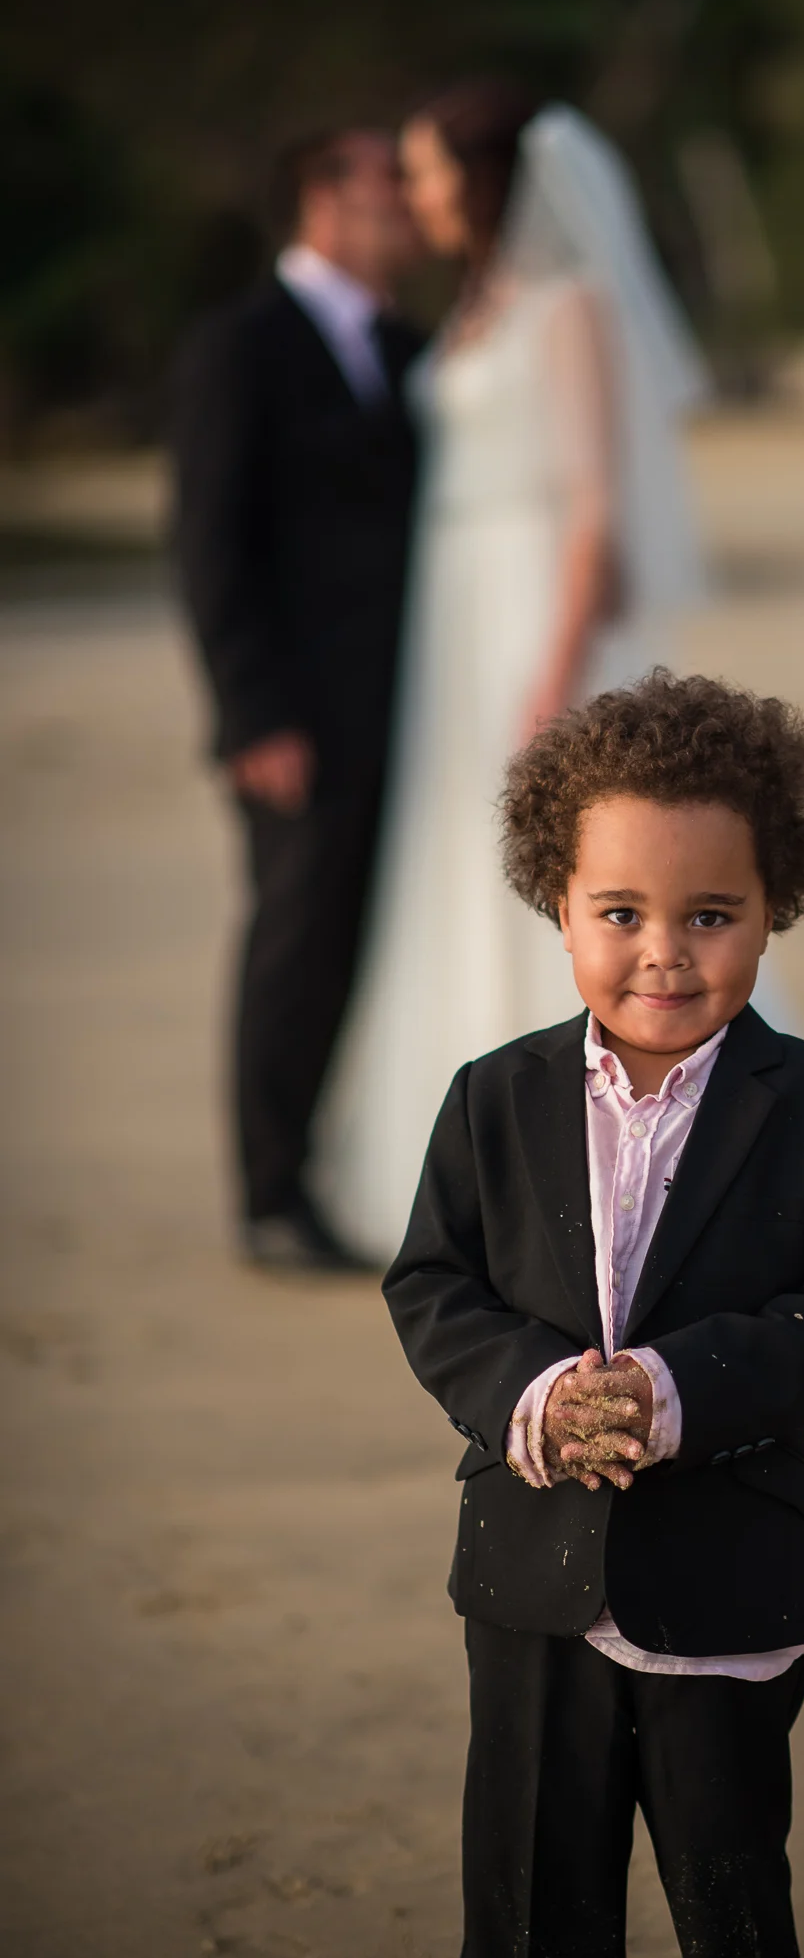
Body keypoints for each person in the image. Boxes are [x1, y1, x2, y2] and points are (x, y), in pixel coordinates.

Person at [384, 670, 804, 1958]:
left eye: (710, 915)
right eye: (618, 912)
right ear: (555, 905)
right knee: (523, 1917)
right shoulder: (489, 1103)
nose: (662, 951)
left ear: (773, 908)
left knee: (732, 1911)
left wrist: (678, 1389)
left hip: (727, 1584)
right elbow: (433, 1284)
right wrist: (538, 1397)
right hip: (529, 1576)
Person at [309, 85, 711, 1264]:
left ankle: (613, 1166)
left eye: (431, 173)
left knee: (561, 863)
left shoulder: (567, 306)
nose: (415, 195)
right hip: (453, 609)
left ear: (485, 183)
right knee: (452, 861)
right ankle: (467, 1162)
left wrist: (556, 669)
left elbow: (596, 506)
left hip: (532, 606)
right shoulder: (472, 308)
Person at [173, 129, 425, 1270]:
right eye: (389, 190)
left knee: (370, 939)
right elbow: (208, 544)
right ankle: (270, 1196)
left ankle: (348, 1165)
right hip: (296, 721)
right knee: (295, 944)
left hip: (409, 709)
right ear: (321, 202)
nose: (412, 210)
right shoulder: (240, 346)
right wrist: (251, 715)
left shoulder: (411, 346)